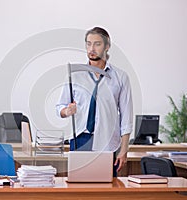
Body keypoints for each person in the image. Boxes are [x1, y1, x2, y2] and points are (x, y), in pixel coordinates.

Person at [56, 27, 133, 176]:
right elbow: (59, 107)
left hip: (107, 141)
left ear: (107, 46)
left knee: (106, 190)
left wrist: (124, 150)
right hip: (80, 140)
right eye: (88, 44)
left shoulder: (120, 77)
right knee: (78, 190)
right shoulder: (75, 75)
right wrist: (66, 111)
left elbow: (126, 117)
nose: (92, 49)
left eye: (97, 44)